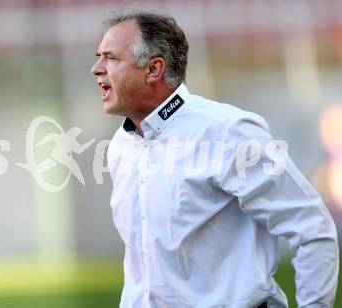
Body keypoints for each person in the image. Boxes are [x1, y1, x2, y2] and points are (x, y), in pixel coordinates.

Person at [91, 10, 339, 308]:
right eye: (99, 57)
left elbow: (311, 227)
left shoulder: (227, 132)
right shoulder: (121, 144)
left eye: (111, 58)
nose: (96, 68)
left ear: (154, 69)